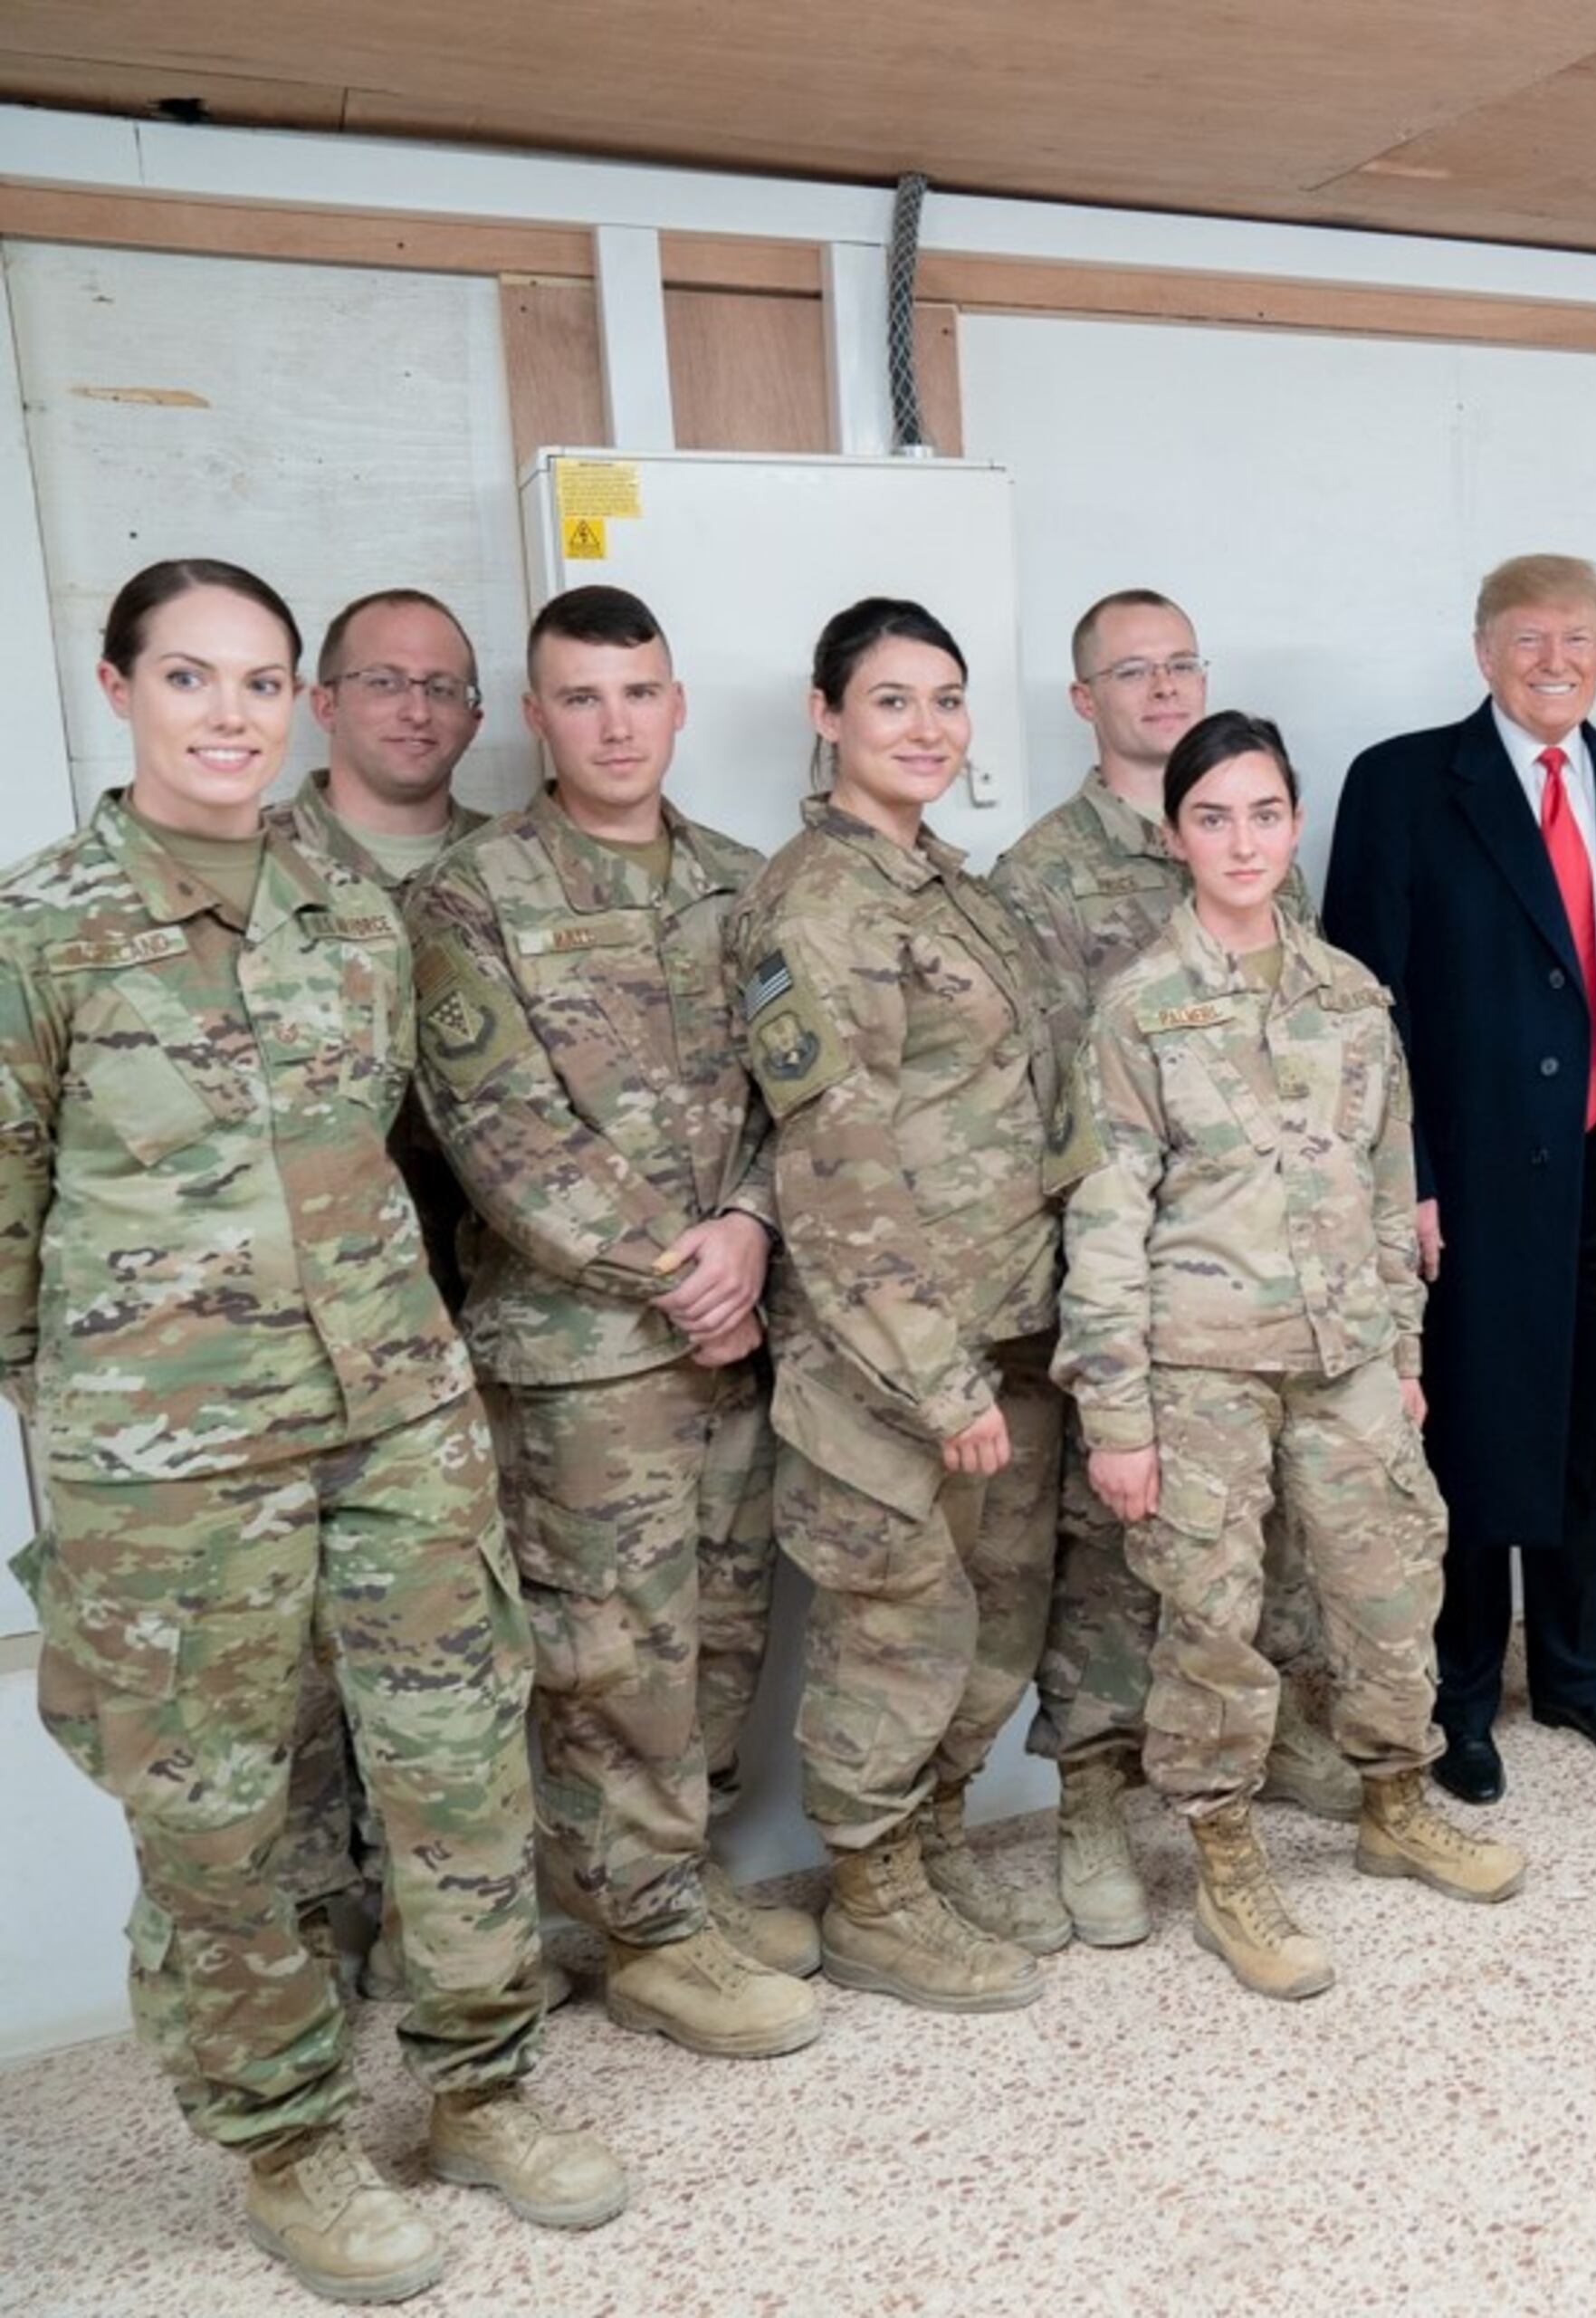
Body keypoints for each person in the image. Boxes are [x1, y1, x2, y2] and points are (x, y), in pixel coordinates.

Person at [2, 560, 626, 2304]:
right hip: (170, 1454)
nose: (230, 715)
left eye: (262, 682)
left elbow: (399, 1143)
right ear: (120, 689)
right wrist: (73, 1419)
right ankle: (287, 2143)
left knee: (456, 1757)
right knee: (219, 1813)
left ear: (299, 707)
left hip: (393, 1409)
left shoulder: (352, 916)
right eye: (191, 679)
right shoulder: (37, 926)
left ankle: (482, 2086)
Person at [401, 583, 817, 2062]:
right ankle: (642, 1935)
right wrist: (683, 1271)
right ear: (536, 716)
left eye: (639, 691)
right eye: (581, 697)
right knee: (609, 1653)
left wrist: (752, 1229)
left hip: (735, 1330)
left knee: (719, 1630)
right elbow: (497, 1137)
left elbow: (801, 1094)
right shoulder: (469, 894)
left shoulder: (743, 879)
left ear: (678, 701)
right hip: (583, 1358)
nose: (615, 722)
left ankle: (674, 1881)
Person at [1059, 711, 1528, 2000]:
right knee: (1211, 1624)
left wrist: (1405, 1346)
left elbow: (1392, 1193)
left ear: (1296, 824)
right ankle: (1225, 1857)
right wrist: (1116, 1416)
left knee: (1389, 1591)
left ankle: (1395, 1799)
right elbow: (1103, 1217)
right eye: (1213, 817)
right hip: (1199, 1366)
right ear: (1175, 838)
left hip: (1349, 1354)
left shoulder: (1349, 996)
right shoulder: (1139, 1011)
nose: (1243, 840)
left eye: (1265, 813)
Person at [1323, 555, 1596, 1804]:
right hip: (1472, 1179)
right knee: (1473, 1430)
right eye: (1529, 640)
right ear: (1482, 648)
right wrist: (1410, 1178)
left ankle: (1580, 1674)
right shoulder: (1401, 786)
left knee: (1593, 1426)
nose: (1556, 662)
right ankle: (1460, 1698)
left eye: (1579, 639)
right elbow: (1361, 1011)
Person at [989, 589, 1355, 1951]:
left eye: (1180, 665)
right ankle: (1091, 1793)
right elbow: (1039, 1104)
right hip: (1133, 1271)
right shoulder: (1036, 878)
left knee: (1256, 1552)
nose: (1161, 687)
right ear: (1081, 699)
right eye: (1129, 672)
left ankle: (1265, 1752)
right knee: (1104, 1553)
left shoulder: (1258, 839)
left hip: (1270, 1271)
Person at [730, 596, 1079, 2004]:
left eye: (945, 700)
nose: (926, 728)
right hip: (894, 1361)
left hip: (1007, 1331)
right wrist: (937, 1380)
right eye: (891, 701)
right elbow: (834, 1164)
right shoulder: (818, 902)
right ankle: (871, 1895)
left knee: (990, 1623)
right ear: (827, 717)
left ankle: (928, 1851)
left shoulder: (951, 881)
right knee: (896, 1630)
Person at [277, 587, 494, 1983]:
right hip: (295, 1336)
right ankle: (312, 1920)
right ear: (324, 702)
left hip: (488, 1306)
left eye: (443, 687)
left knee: (468, 1640)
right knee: (297, 1659)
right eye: (384, 681)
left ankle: (459, 1936)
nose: (415, 710)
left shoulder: (512, 867)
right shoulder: (256, 858)